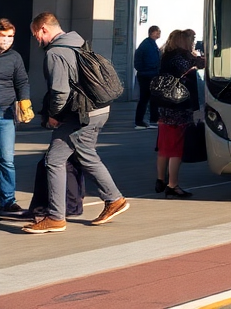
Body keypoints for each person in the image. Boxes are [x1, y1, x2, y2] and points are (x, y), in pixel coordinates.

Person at [24, 12, 129, 233]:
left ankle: (55, 217)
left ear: (44, 29)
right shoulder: (79, 43)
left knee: (54, 160)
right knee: (87, 155)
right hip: (100, 109)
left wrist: (54, 115)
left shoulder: (56, 52)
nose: (37, 41)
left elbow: (60, 91)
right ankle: (114, 199)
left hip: (79, 114)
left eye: (36, 35)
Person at [154, 29, 201, 198]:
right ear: (184, 41)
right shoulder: (184, 58)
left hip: (164, 105)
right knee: (176, 149)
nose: (193, 43)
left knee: (164, 146)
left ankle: (160, 178)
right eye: (191, 40)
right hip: (179, 107)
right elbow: (201, 66)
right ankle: (172, 184)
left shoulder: (165, 56)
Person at [1, 18, 33, 215]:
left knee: (6, 159)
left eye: (10, 36)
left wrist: (25, 101)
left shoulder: (15, 57)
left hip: (5, 115)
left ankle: (8, 200)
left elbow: (22, 82)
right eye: (3, 36)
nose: (7, 40)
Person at [133, 25, 161, 129]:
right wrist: (150, 69)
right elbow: (148, 60)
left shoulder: (148, 44)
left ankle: (149, 119)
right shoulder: (148, 45)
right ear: (152, 32)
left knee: (148, 98)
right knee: (147, 98)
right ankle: (144, 120)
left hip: (147, 74)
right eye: (158, 32)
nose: (159, 34)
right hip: (148, 74)